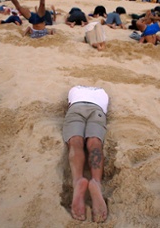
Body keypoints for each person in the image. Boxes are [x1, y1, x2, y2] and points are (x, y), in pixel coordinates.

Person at [62, 85, 109, 222]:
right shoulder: (102, 92)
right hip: (97, 110)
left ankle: (78, 180)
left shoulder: (74, 89)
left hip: (75, 108)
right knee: (94, 142)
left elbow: (69, 103)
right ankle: (96, 181)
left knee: (75, 142)